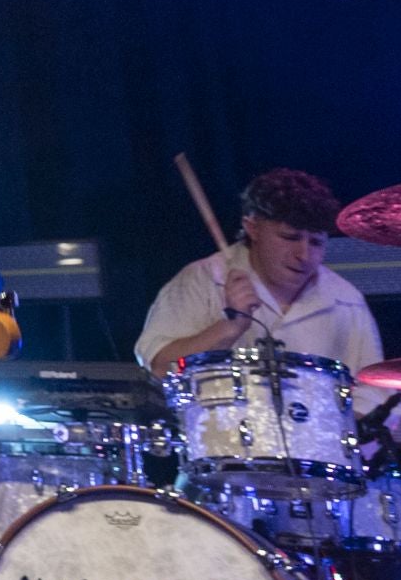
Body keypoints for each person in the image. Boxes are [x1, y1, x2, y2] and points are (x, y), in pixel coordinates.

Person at [136, 167, 384, 414]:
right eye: (290, 237)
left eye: (316, 243)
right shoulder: (201, 281)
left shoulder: (346, 300)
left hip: (319, 438)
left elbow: (375, 391)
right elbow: (159, 370)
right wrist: (230, 327)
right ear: (252, 228)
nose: (304, 255)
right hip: (219, 436)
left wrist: (349, 429)